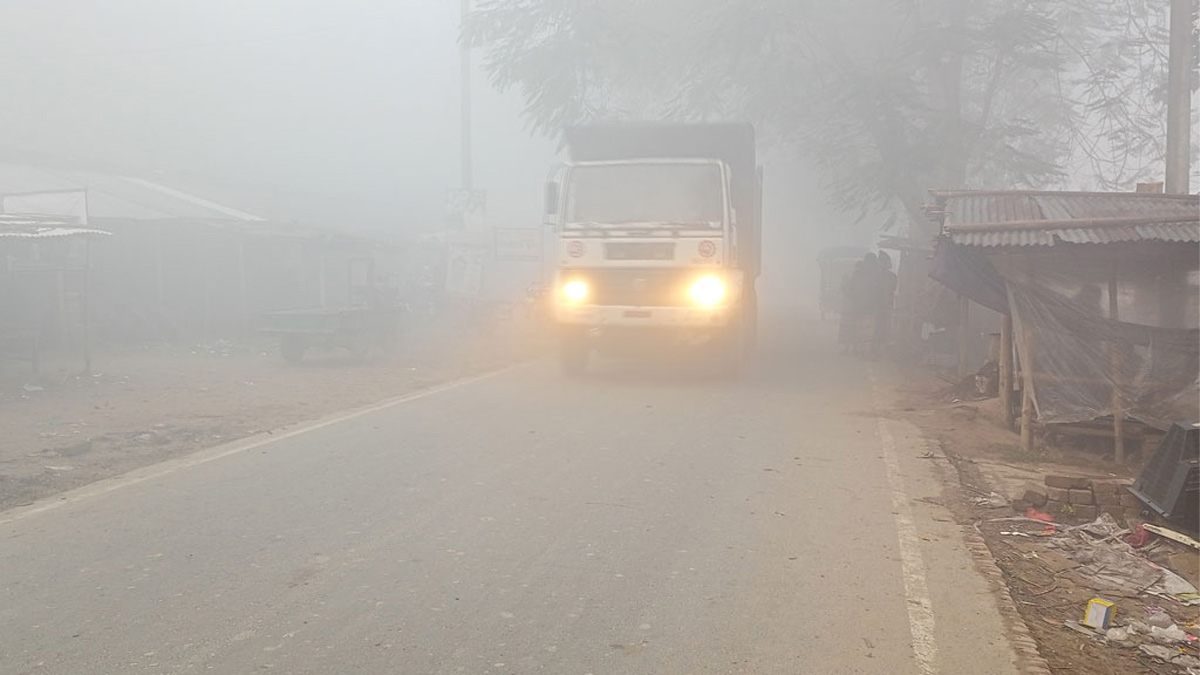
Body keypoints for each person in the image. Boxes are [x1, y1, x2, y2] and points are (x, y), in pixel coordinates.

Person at [873, 251, 898, 357]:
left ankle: (878, 349)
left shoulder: (891, 277)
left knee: (884, 329)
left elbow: (891, 289)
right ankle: (875, 349)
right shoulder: (877, 276)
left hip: (885, 307)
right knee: (876, 328)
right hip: (877, 307)